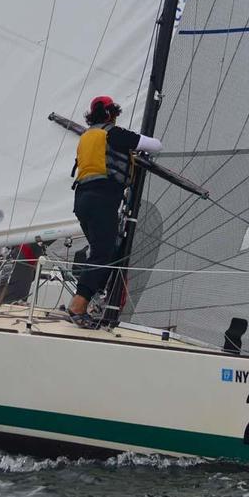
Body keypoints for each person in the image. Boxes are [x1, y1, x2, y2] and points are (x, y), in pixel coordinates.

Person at [68, 95, 161, 327]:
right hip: (103, 199)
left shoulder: (86, 136)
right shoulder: (114, 134)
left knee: (109, 252)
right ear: (111, 114)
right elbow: (156, 145)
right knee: (102, 253)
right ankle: (78, 306)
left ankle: (96, 298)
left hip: (82, 200)